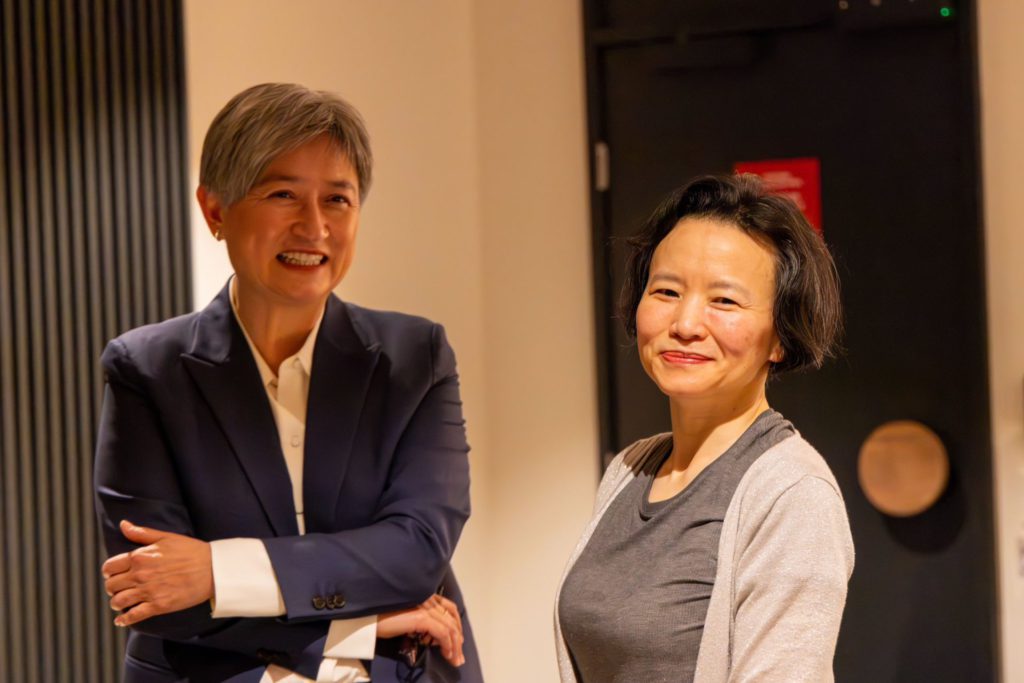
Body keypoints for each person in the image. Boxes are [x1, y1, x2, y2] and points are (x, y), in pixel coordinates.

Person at [94, 82, 482, 683]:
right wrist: (359, 622)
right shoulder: (147, 370)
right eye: (283, 194)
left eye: (338, 200)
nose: (314, 226)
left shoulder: (413, 358)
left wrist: (219, 571)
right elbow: (151, 587)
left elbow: (416, 551)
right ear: (215, 210)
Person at [555, 174, 854, 683]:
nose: (686, 323)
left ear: (780, 336)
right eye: (667, 291)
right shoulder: (629, 470)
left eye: (725, 301)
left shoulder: (792, 493)